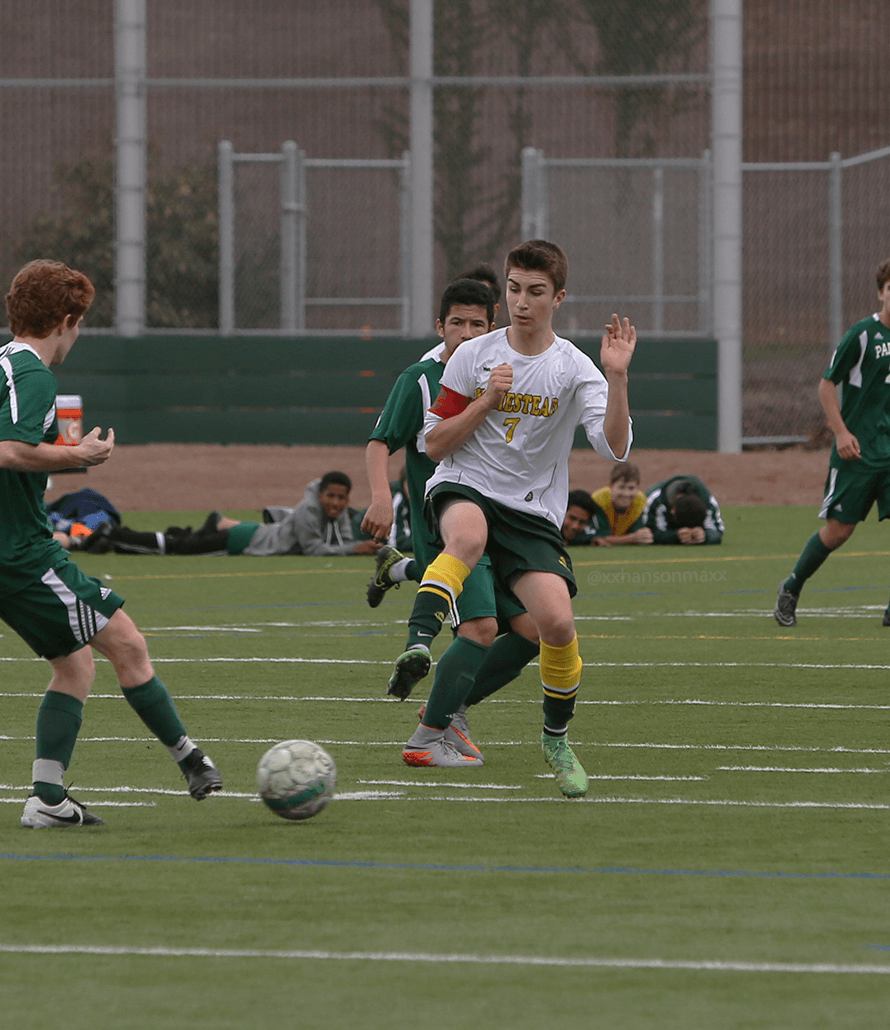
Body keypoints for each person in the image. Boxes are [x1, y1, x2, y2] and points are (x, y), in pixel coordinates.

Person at [0, 259, 222, 828]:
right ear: (65, 321)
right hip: (20, 554)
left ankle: (48, 799)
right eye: (80, 322)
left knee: (75, 665)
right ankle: (191, 760)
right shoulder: (33, 376)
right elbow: (7, 451)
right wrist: (79, 454)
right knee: (128, 644)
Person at [403, 239, 635, 795]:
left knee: (553, 626)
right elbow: (434, 443)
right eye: (513, 289)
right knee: (467, 538)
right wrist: (485, 400)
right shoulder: (473, 355)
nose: (521, 302)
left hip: (530, 510)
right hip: (465, 484)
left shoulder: (575, 368)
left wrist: (618, 377)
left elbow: (615, 446)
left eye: (535, 292)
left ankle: (555, 740)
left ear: (559, 298)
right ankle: (418, 641)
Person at [359, 269, 540, 765]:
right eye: (456, 323)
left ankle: (451, 708)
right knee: (479, 628)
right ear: (440, 327)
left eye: (476, 324)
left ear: (492, 327)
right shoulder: (420, 380)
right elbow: (380, 442)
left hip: (502, 527)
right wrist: (380, 498)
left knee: (534, 629)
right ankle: (429, 734)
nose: (466, 333)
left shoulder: (511, 375)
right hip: (449, 529)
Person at [775, 255, 890, 628]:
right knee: (839, 531)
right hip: (857, 450)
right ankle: (792, 586)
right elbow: (826, 385)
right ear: (880, 293)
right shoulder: (861, 335)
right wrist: (841, 432)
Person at [86, 472, 380, 557]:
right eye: (331, 496)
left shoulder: (338, 513)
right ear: (320, 495)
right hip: (244, 541)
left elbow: (341, 540)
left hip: (251, 534)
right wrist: (356, 549)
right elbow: (314, 549)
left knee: (184, 541)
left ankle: (115, 539)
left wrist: (356, 546)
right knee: (178, 549)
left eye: (342, 498)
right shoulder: (308, 510)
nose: (336, 503)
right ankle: (115, 534)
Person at [586, 461, 655, 546]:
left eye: (631, 488)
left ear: (638, 488)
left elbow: (639, 531)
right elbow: (599, 538)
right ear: (611, 486)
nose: (626, 493)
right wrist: (632, 538)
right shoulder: (598, 500)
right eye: (621, 487)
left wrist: (644, 536)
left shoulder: (641, 501)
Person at [642, 473, 723, 546]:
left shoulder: (708, 501)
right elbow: (649, 532)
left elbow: (717, 531)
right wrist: (675, 536)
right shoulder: (656, 500)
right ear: (672, 510)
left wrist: (704, 535)